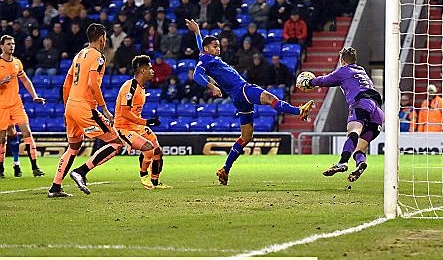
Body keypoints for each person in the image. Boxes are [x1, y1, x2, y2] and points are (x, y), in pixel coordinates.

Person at [186, 19, 315, 185]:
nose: (218, 48)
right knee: (270, 98)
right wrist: (212, 86)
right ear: (207, 48)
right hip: (242, 89)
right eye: (214, 46)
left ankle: (225, 169)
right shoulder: (206, 60)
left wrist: (197, 32)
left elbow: (200, 47)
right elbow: (197, 75)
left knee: (246, 136)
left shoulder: (205, 56)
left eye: (218, 46)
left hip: (237, 98)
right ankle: (299, 111)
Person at [48, 24, 125, 197]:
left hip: (71, 106)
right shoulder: (98, 57)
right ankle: (81, 172)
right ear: (102, 38)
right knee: (116, 143)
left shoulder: (79, 55)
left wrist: (67, 107)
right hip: (85, 108)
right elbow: (92, 84)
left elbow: (66, 83)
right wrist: (104, 108)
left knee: (73, 147)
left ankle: (55, 187)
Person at [304, 47, 384, 182]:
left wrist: (309, 82)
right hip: (378, 113)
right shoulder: (361, 71)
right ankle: (360, 164)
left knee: (354, 131)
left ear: (342, 60)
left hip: (361, 103)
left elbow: (324, 80)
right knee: (360, 149)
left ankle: (342, 162)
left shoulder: (344, 71)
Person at [115, 55, 170, 189]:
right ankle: (143, 174)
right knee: (148, 148)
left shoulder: (141, 87)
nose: (153, 71)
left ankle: (155, 181)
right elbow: (125, 112)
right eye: (150, 69)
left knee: (158, 152)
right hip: (124, 127)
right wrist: (145, 122)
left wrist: (143, 123)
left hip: (137, 126)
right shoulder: (130, 87)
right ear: (143, 71)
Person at [0, 35, 46, 179]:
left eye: (13, 44)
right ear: (2, 46)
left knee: (27, 132)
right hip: (2, 106)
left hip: (16, 104)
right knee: (2, 139)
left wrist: (34, 95)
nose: (11, 46)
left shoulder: (17, 63)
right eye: (8, 44)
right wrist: (1, 82)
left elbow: (25, 80)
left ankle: (35, 167)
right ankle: (1, 169)